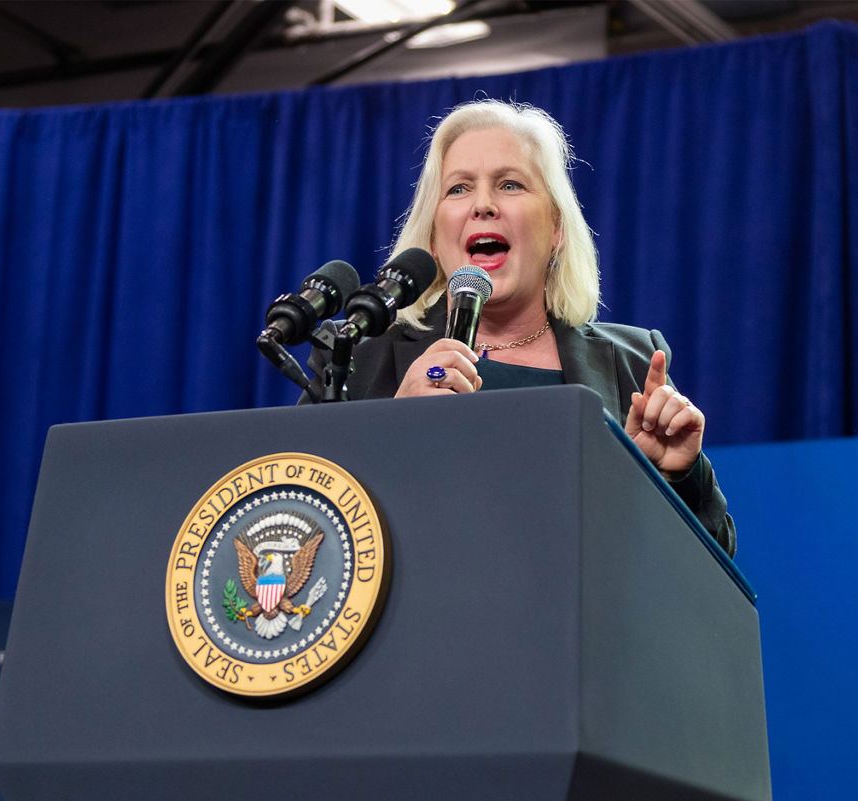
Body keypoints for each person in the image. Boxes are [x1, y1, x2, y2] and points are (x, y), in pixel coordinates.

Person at [305, 100, 735, 556]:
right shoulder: (355, 356)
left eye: (510, 184)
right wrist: (390, 432)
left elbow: (712, 565)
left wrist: (675, 479)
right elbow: (300, 522)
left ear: (556, 229)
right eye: (458, 189)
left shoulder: (632, 363)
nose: (483, 205)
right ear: (433, 235)